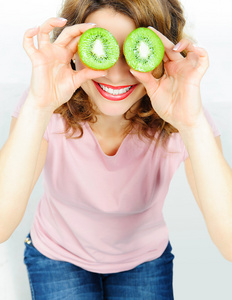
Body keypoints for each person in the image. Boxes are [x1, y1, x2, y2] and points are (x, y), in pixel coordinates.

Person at [0, 0, 232, 299]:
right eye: (101, 48)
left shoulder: (182, 116)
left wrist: (192, 123)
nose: (116, 74)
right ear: (73, 47)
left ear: (164, 56)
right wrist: (38, 104)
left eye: (136, 52)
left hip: (144, 260)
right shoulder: (47, 105)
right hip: (57, 255)